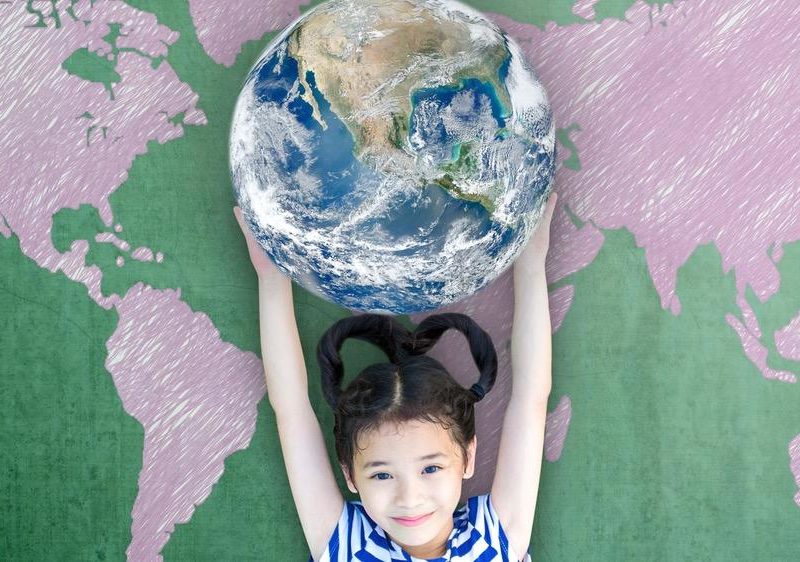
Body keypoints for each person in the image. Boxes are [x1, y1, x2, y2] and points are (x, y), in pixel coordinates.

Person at [233, 191, 557, 561]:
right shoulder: (344, 542)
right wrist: (271, 276)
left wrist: (531, 264)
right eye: (382, 475)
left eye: (431, 467)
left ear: (467, 458)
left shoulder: (496, 537)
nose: (409, 497)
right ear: (351, 476)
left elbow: (532, 398)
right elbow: (290, 408)